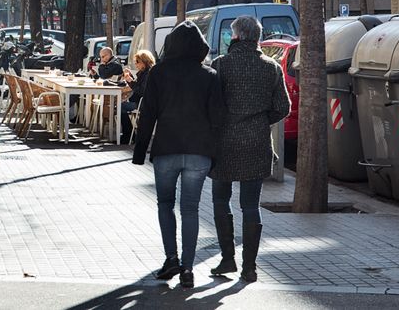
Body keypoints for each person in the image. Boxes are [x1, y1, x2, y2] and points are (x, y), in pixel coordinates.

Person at [132, 21, 225, 289]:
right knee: (191, 210)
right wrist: (215, 154)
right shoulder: (209, 75)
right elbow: (218, 118)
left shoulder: (159, 73)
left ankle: (171, 258)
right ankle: (187, 268)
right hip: (199, 151)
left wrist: (139, 152)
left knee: (164, 205)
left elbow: (147, 115)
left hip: (166, 149)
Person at [208, 15, 290, 283]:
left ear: (236, 36)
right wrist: (258, 122)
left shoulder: (221, 65)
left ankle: (227, 259)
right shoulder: (271, 67)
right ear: (257, 37)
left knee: (221, 199)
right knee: (250, 205)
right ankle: (250, 267)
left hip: (224, 143)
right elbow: (283, 107)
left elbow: (211, 105)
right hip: (257, 142)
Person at [119, 49, 156, 144]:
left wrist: (130, 81)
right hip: (142, 102)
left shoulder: (148, 74)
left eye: (137, 62)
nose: (136, 65)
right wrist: (130, 79)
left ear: (144, 61)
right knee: (120, 106)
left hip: (142, 103)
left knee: (120, 107)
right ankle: (130, 135)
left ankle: (128, 135)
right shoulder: (146, 72)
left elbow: (142, 91)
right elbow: (138, 86)